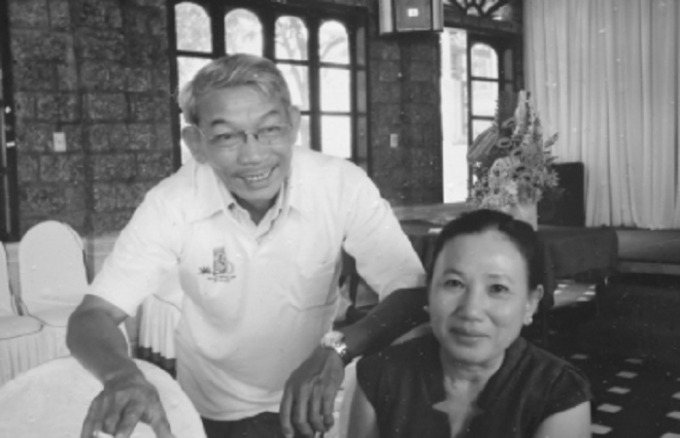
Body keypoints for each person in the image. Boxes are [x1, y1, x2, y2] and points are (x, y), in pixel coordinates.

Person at [66, 53, 428, 438]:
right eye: (226, 136)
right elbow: (92, 316)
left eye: (269, 129)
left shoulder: (340, 184)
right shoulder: (171, 202)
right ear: (196, 144)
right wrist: (122, 376)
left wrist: (338, 350)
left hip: (308, 400)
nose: (253, 155)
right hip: (210, 407)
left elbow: (411, 291)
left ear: (294, 125)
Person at [348, 209, 592, 438]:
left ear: (530, 302)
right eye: (454, 283)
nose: (471, 310)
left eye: (498, 288)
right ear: (429, 292)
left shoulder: (558, 393)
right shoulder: (380, 377)